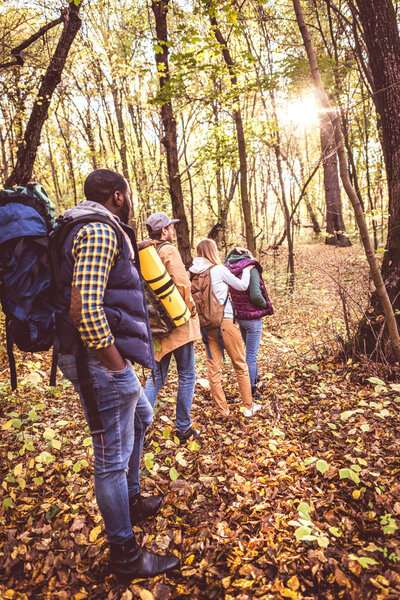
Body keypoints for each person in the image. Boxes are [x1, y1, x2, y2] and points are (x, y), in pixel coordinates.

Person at [55, 169, 179, 583]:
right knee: (109, 457)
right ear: (119, 196)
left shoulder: (95, 230)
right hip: (99, 364)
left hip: (99, 360)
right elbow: (85, 310)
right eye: (128, 192)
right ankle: (125, 555)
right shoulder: (99, 233)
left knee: (142, 418)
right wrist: (118, 367)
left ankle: (131, 498)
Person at [142, 212, 201, 444]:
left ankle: (140, 426)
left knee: (156, 377)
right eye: (170, 227)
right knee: (187, 375)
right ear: (164, 231)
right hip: (178, 322)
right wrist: (190, 310)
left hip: (156, 324)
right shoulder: (168, 250)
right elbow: (182, 284)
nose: (173, 230)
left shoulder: (146, 253)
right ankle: (183, 428)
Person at [189, 238, 260, 418]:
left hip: (206, 327)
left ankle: (223, 411)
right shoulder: (219, 270)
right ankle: (248, 407)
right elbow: (243, 285)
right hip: (226, 323)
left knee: (214, 370)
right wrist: (247, 268)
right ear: (213, 251)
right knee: (240, 365)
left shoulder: (191, 273)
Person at [225, 247, 273, 398]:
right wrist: (265, 304)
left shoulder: (229, 267)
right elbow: (255, 295)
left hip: (240, 316)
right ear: (247, 254)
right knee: (251, 355)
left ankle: (256, 379)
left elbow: (226, 260)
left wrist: (232, 250)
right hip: (252, 318)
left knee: (249, 352)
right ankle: (251, 389)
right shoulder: (250, 268)